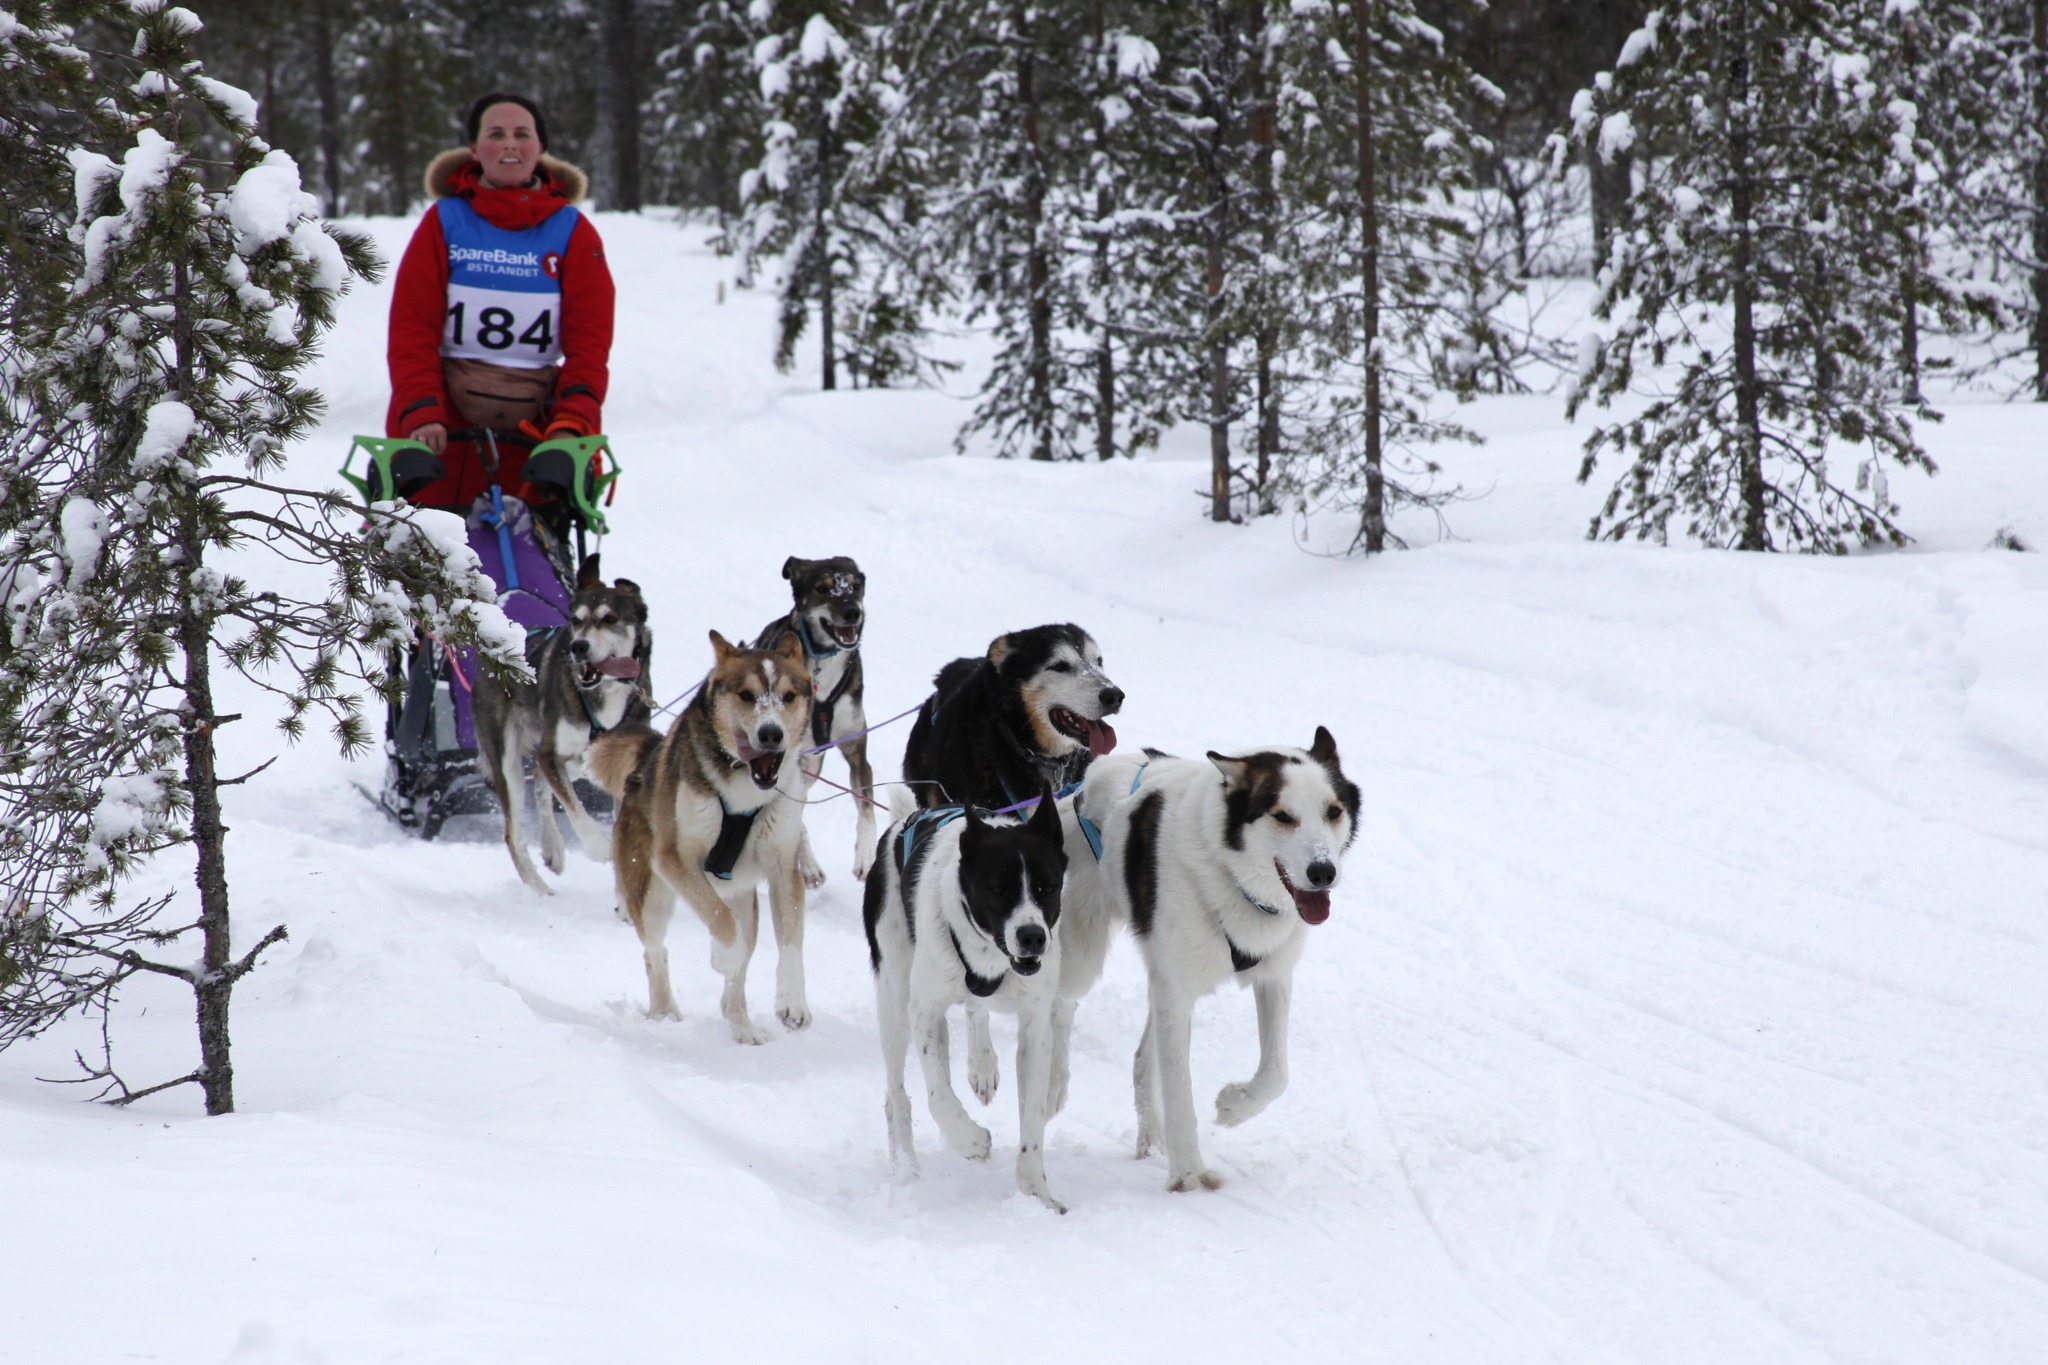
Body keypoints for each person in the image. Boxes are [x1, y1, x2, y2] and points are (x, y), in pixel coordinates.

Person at [385, 92, 615, 514]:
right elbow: (411, 330)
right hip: (444, 427)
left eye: (521, 134)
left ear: (540, 148)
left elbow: (590, 344)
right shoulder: (444, 222)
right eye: (496, 133)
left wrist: (572, 423)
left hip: (540, 431)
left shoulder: (572, 231)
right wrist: (421, 412)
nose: (510, 143)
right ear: (474, 149)